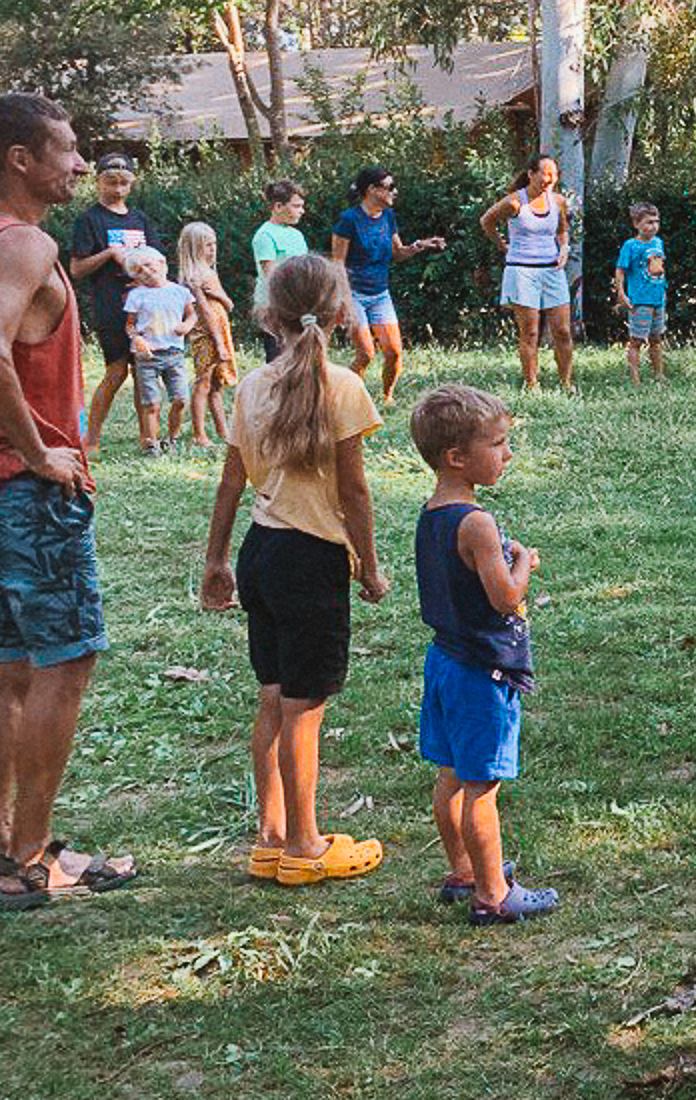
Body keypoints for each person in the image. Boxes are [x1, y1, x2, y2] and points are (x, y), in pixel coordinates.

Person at [0, 95, 137, 910]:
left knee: (9, 667)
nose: (80, 165)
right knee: (64, 660)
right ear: (20, 158)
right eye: (68, 149)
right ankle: (39, 856)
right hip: (19, 492)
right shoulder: (22, 242)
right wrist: (35, 447)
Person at [200, 251, 389, 890]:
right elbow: (354, 492)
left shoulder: (251, 386)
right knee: (305, 710)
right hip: (311, 560)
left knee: (275, 699)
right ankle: (307, 845)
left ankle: (271, 836)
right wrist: (368, 566)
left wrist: (216, 560)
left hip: (260, 552)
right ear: (340, 313)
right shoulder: (345, 387)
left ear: (267, 316)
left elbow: (230, 484)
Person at [410, 383, 560, 924]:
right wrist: (523, 561)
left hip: (445, 660)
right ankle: (494, 895)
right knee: (482, 787)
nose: (507, 454)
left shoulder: (431, 513)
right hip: (482, 671)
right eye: (497, 444)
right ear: (457, 457)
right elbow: (507, 596)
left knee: (450, 774)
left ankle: (463, 870)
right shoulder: (477, 523)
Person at [330, 165, 446, 408]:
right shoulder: (348, 219)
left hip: (380, 294)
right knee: (365, 354)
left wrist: (421, 245)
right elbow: (337, 262)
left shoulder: (388, 217)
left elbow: (397, 252)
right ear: (372, 190)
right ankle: (345, 399)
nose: (395, 192)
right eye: (390, 187)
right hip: (354, 294)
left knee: (393, 352)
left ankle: (386, 399)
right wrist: (343, 298)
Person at [65, 151, 155, 451]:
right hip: (111, 305)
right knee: (117, 371)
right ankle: (91, 438)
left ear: (131, 184)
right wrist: (109, 254)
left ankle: (148, 438)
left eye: (123, 183)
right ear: (98, 182)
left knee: (145, 372)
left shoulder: (140, 219)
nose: (117, 189)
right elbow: (76, 269)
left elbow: (159, 259)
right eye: (111, 182)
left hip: (145, 304)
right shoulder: (90, 220)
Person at [481, 154, 574, 392]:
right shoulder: (515, 202)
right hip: (522, 272)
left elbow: (563, 229)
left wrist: (564, 247)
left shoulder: (559, 202)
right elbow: (486, 221)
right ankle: (532, 385)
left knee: (562, 331)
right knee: (530, 332)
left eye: (554, 175)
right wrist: (502, 245)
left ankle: (567, 384)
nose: (549, 180)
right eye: (545, 174)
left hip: (552, 271)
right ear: (531, 174)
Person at [120, 247, 197, 455]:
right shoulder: (137, 295)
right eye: (138, 270)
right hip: (147, 356)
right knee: (151, 403)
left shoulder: (181, 292)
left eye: (148, 264)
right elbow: (130, 325)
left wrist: (187, 326)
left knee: (181, 399)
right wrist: (136, 338)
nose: (145, 270)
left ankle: (172, 439)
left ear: (162, 263)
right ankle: (151, 444)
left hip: (174, 353)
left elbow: (192, 315)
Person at [177, 222, 238, 447]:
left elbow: (229, 306)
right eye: (207, 245)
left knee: (216, 385)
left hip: (221, 332)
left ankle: (224, 432)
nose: (212, 249)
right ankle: (199, 434)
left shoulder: (210, 273)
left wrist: (220, 295)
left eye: (214, 244)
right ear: (193, 248)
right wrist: (219, 344)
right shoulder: (195, 277)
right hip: (207, 336)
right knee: (203, 382)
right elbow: (205, 313)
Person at [252, 180, 312, 359]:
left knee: (300, 357)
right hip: (274, 307)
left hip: (298, 305)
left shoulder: (297, 235)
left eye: (302, 206)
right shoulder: (265, 235)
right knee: (278, 359)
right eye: (297, 206)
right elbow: (271, 277)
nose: (302, 211)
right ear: (278, 206)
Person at [612, 201, 671, 383]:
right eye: (649, 222)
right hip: (640, 299)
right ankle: (635, 378)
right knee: (637, 339)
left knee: (656, 338)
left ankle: (658, 373)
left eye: (656, 221)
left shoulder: (658, 242)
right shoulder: (631, 246)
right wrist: (621, 293)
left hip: (657, 298)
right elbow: (620, 270)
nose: (654, 226)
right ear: (637, 224)